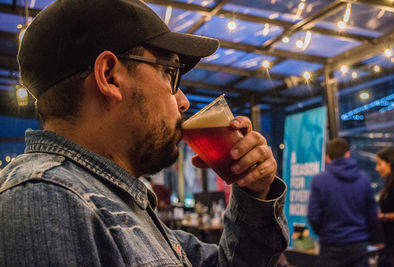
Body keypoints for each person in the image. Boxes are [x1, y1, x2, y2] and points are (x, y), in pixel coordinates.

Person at [0, 0, 288, 266]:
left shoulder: (117, 201)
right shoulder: (45, 199)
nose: (183, 101)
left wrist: (255, 192)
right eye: (170, 74)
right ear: (110, 76)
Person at [307, 137, 377, 267]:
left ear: (327, 157)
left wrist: (325, 233)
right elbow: (373, 215)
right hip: (358, 245)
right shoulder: (364, 179)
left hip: (330, 245)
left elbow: (313, 216)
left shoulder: (319, 181)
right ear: (348, 154)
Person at [376, 147, 394, 267]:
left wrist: (383, 216)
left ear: (389, 162)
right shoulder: (390, 182)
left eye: (379, 164)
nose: (377, 168)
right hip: (391, 245)